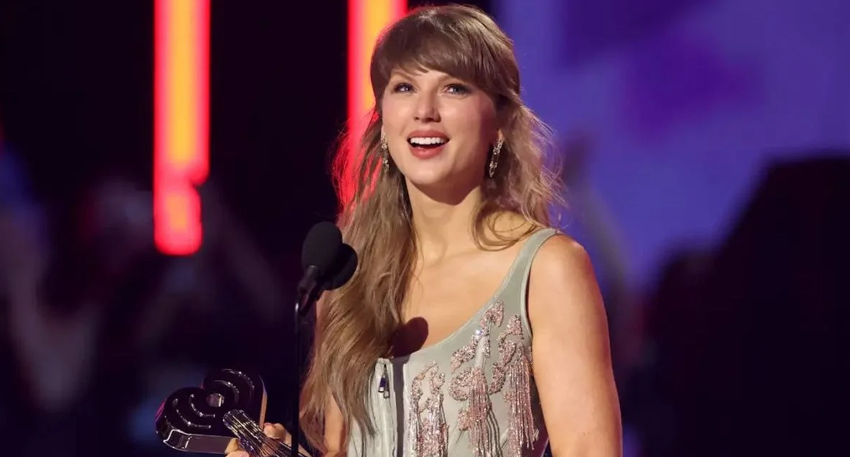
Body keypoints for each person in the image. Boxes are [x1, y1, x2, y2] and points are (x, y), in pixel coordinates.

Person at [228, 4, 621, 457]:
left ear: (499, 124)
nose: (424, 111)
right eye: (405, 87)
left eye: (454, 88)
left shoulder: (547, 269)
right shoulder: (346, 279)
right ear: (383, 121)